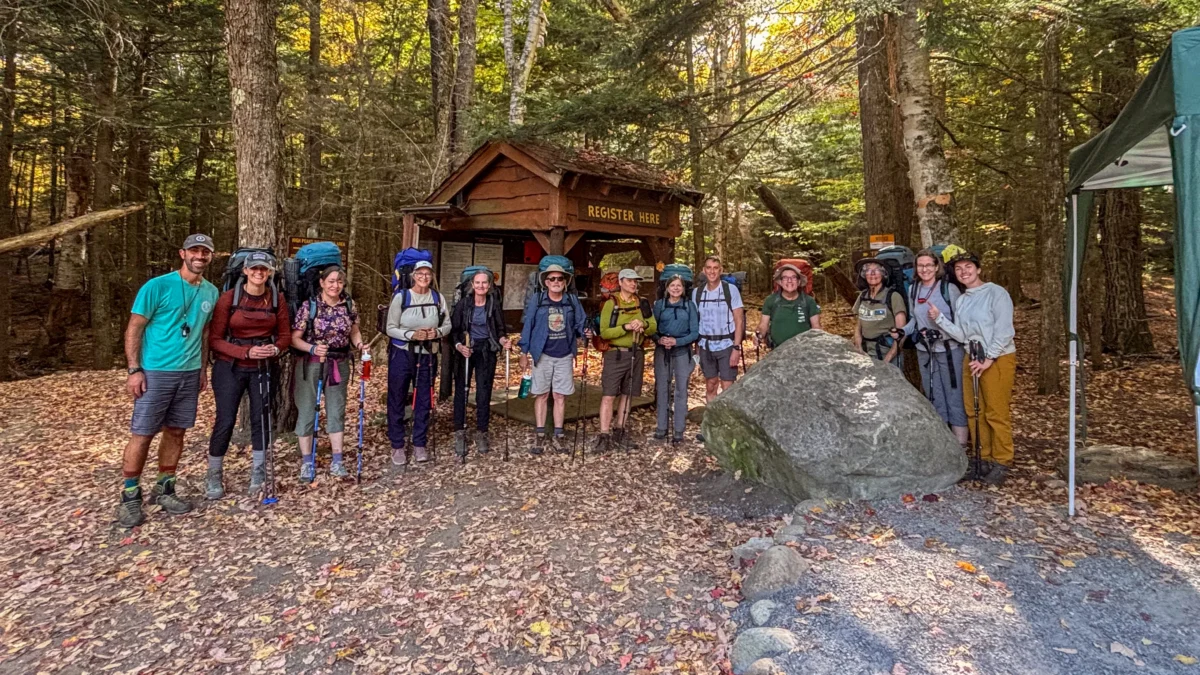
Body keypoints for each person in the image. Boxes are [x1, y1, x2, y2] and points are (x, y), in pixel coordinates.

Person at [117, 233, 219, 528]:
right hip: (156, 371)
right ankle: (130, 495)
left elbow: (202, 334)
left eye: (205, 252)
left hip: (188, 373)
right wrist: (134, 369)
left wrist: (201, 370)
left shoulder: (210, 292)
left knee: (176, 431)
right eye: (195, 251)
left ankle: (165, 486)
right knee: (143, 432)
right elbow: (135, 327)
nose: (200, 256)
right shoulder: (157, 286)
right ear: (183, 254)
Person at [206, 251, 291, 499]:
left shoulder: (277, 299)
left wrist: (275, 348)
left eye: (263, 269)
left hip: (264, 366)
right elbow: (215, 340)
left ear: (269, 273)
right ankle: (213, 474)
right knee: (225, 420)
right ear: (245, 271)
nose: (258, 273)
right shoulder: (229, 299)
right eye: (254, 268)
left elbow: (285, 335)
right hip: (230, 366)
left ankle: (258, 471)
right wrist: (245, 351)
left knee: (261, 419)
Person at [927, 250, 1016, 485]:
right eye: (958, 269)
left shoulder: (996, 293)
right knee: (973, 410)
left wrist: (990, 358)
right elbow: (962, 334)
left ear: (978, 269)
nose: (963, 272)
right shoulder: (964, 299)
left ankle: (1002, 460)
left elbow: (1005, 330)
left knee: (995, 411)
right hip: (972, 356)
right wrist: (940, 319)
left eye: (968, 267)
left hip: (997, 358)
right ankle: (982, 457)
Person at [291, 265, 365, 482]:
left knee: (336, 409)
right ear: (322, 283)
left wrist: (360, 345)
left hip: (339, 362)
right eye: (331, 281)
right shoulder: (310, 306)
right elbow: (295, 338)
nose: (335, 285)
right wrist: (312, 348)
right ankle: (307, 462)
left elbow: (354, 331)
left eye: (339, 282)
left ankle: (337, 461)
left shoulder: (348, 305)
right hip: (311, 363)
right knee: (306, 409)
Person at [518, 261, 588, 455]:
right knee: (541, 394)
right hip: (542, 354)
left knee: (559, 395)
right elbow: (528, 325)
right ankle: (540, 434)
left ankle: (558, 434)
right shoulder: (538, 300)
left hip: (564, 354)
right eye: (552, 279)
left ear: (565, 282)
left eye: (560, 278)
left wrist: (586, 332)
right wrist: (523, 352)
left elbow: (581, 323)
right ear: (546, 282)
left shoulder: (572, 301)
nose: (556, 282)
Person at [385, 260, 451, 466]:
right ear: (413, 275)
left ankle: (420, 442)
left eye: (428, 274)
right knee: (397, 397)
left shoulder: (437, 298)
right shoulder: (401, 297)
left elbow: (447, 324)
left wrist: (436, 332)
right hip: (402, 353)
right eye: (420, 274)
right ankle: (397, 445)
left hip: (427, 353)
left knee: (424, 398)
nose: (424, 277)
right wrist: (411, 334)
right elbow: (390, 327)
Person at [908, 249, 969, 447]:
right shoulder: (913, 289)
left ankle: (959, 447)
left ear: (936, 267)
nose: (924, 269)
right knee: (934, 396)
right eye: (920, 265)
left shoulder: (949, 289)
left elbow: (961, 325)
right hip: (925, 351)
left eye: (928, 265)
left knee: (955, 396)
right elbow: (913, 321)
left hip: (950, 351)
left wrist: (940, 321)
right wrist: (901, 331)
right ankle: (942, 445)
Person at [451, 269, 512, 458]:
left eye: (484, 283)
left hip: (486, 350)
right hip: (466, 350)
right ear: (472, 284)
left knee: (484, 392)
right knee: (462, 390)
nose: (481, 286)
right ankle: (460, 431)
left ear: (489, 285)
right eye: (477, 283)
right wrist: (459, 345)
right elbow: (453, 331)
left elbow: (500, 330)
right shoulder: (464, 304)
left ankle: (482, 431)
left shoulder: (494, 305)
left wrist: (504, 341)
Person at [596, 269, 658, 452]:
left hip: (636, 353)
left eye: (635, 281)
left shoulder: (643, 303)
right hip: (615, 354)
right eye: (630, 281)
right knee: (608, 395)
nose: (634, 284)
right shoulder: (611, 303)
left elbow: (653, 327)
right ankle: (604, 434)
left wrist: (643, 325)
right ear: (621, 282)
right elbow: (605, 332)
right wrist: (625, 327)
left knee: (628, 394)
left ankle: (620, 431)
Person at [652, 275, 698, 444]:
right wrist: (659, 339)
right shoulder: (659, 305)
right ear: (667, 287)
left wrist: (677, 341)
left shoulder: (689, 306)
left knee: (681, 390)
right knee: (662, 389)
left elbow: (695, 332)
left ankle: (679, 430)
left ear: (683, 288)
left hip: (682, 351)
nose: (676, 288)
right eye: (673, 285)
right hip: (662, 351)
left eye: (679, 286)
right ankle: (661, 427)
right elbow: (652, 328)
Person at [693, 256, 744, 402]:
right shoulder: (697, 293)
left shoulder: (730, 290)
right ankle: (711, 420)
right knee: (710, 384)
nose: (712, 271)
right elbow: (696, 320)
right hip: (705, 345)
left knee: (727, 386)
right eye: (708, 268)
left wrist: (736, 347)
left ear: (720, 270)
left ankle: (726, 422)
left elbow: (739, 320)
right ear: (704, 270)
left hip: (727, 344)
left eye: (715, 268)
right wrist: (696, 347)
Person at [852, 259, 907, 367]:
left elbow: (902, 333)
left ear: (884, 274)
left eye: (876, 270)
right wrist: (858, 345)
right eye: (868, 270)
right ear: (864, 275)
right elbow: (859, 324)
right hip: (866, 353)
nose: (872, 274)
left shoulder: (893, 296)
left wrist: (888, 358)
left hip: (887, 352)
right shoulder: (863, 296)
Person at [755, 263, 822, 349]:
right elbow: (763, 325)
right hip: (777, 352)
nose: (789, 281)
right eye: (785, 278)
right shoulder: (771, 300)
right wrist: (759, 335)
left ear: (798, 282)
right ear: (780, 282)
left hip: (804, 351)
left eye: (793, 277)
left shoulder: (809, 301)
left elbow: (816, 327)